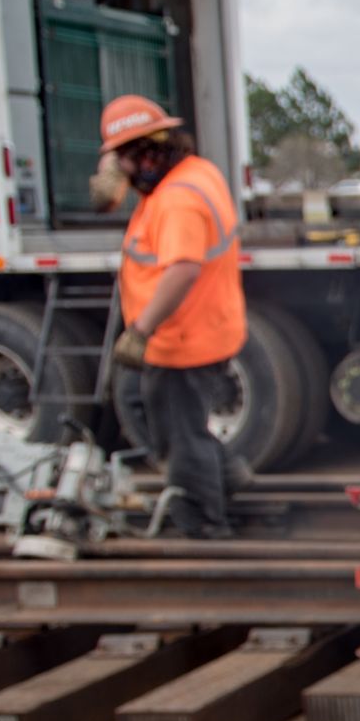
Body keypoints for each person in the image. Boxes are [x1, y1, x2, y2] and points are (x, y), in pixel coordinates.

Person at [100, 94, 248, 538]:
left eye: (119, 164)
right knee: (136, 401)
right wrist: (113, 180)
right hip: (203, 329)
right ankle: (225, 472)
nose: (117, 175)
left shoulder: (177, 200)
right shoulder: (194, 173)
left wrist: (141, 330)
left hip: (181, 339)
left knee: (183, 437)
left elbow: (183, 269)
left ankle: (205, 523)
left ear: (143, 156)